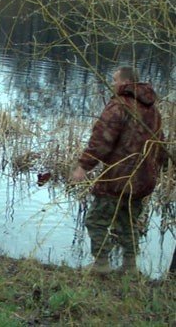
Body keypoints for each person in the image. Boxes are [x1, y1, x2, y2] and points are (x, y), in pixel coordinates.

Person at [71, 66, 166, 273]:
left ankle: (101, 263)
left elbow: (101, 141)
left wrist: (83, 167)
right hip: (142, 181)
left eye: (115, 80)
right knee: (129, 222)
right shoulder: (153, 111)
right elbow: (160, 146)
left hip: (117, 178)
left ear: (124, 82)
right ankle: (130, 266)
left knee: (96, 220)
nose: (113, 84)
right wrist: (161, 170)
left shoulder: (119, 106)